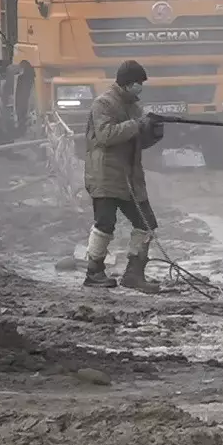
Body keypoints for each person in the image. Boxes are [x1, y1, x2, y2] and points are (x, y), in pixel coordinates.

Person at [82, 60, 165, 291]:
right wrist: (138, 124)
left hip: (129, 176)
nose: (140, 87)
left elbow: (135, 141)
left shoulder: (133, 106)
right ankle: (94, 272)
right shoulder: (104, 103)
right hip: (105, 175)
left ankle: (134, 274)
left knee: (146, 222)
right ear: (128, 83)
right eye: (138, 83)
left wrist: (153, 133)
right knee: (105, 223)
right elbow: (106, 135)